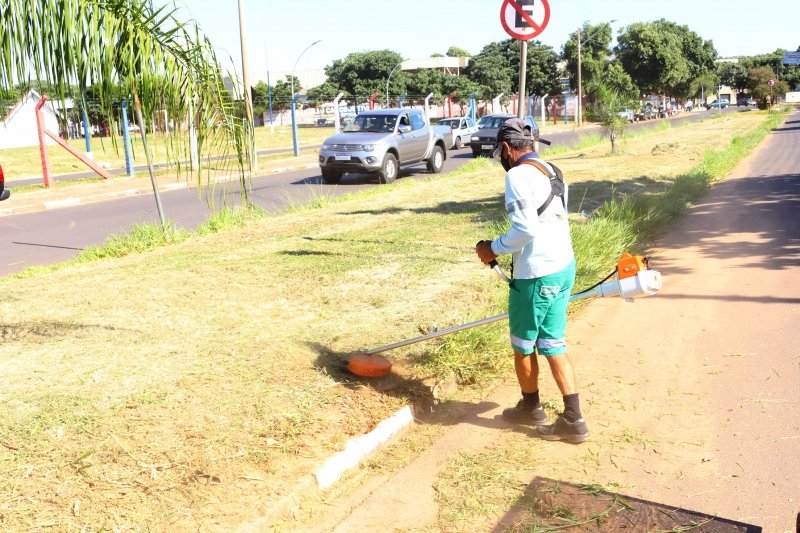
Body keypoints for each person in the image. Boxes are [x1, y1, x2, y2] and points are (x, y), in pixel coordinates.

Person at [475, 118, 589, 444]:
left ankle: (531, 406)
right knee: (553, 343)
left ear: (508, 149)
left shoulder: (517, 175)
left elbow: (525, 229)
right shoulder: (551, 169)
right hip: (562, 266)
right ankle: (573, 418)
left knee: (523, 346)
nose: (502, 158)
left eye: (501, 153)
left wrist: (491, 249)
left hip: (536, 274)